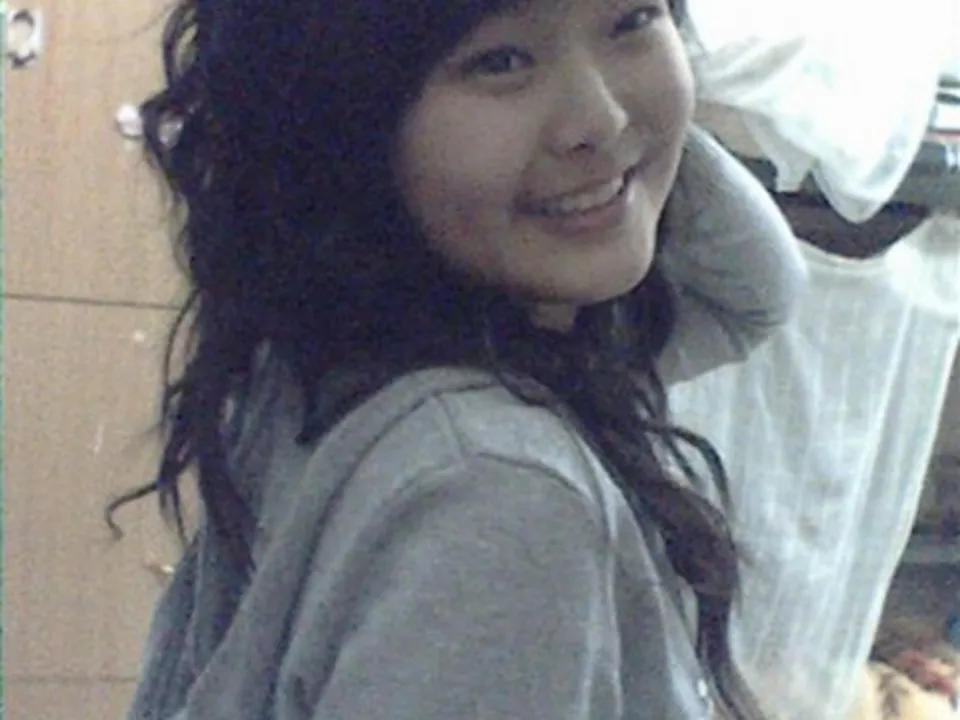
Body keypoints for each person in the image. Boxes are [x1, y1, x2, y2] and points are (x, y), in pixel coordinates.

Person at [112, 0, 806, 717]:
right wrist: (627, 145)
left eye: (632, 20)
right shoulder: (495, 488)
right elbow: (751, 295)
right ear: (347, 112)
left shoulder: (331, 357)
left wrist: (638, 146)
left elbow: (756, 291)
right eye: (499, 61)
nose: (598, 118)